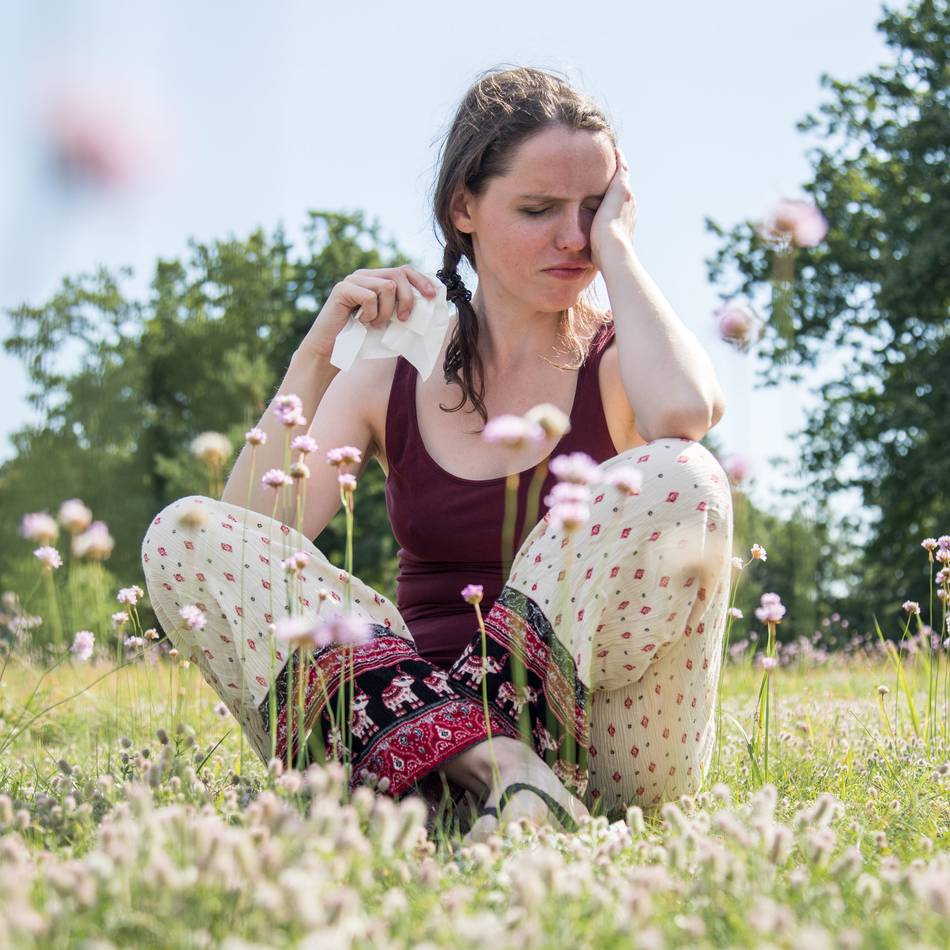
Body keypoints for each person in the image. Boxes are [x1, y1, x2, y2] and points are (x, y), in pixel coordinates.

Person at [140, 65, 733, 838]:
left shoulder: (622, 360)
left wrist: (618, 253)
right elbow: (250, 535)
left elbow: (687, 415)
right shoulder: (389, 374)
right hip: (403, 742)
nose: (573, 236)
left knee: (683, 472)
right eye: (538, 208)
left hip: (608, 750)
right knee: (179, 533)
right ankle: (495, 769)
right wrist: (320, 351)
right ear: (463, 208)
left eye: (594, 208)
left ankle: (527, 777)